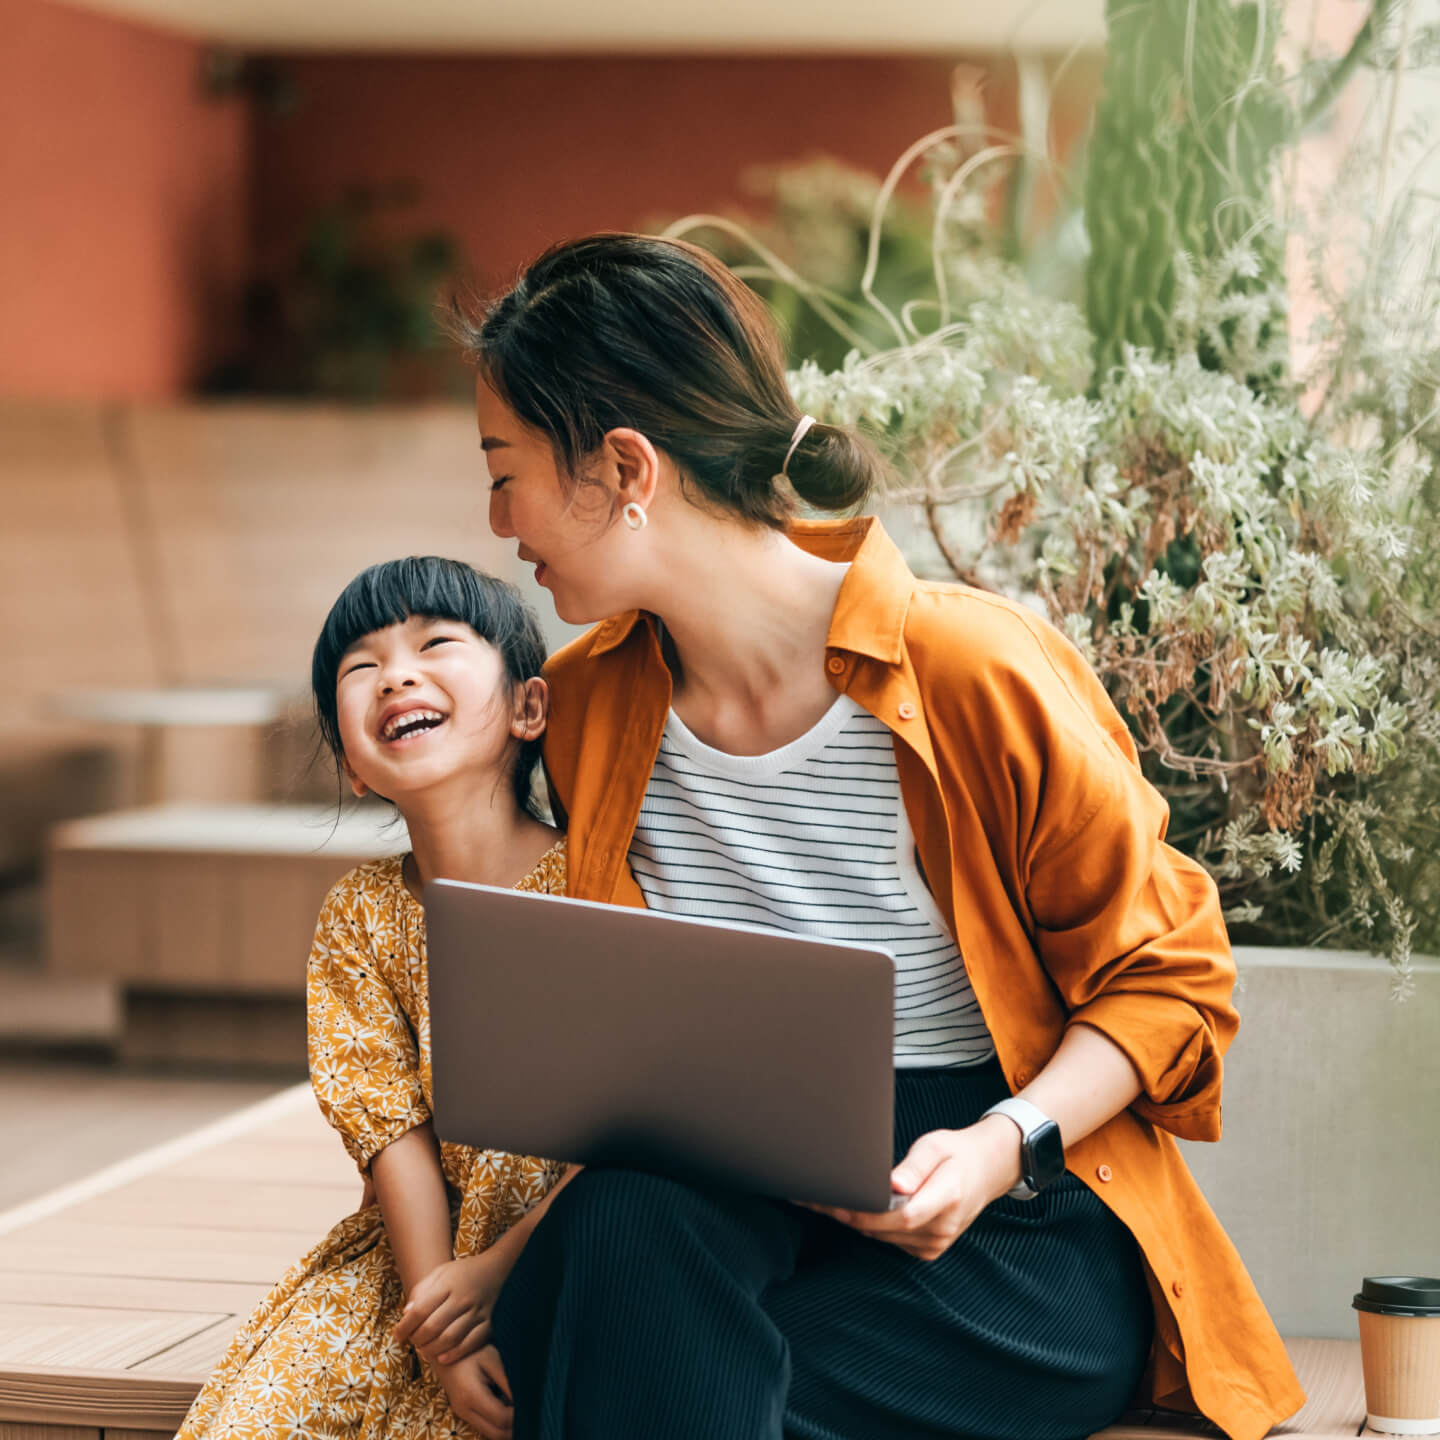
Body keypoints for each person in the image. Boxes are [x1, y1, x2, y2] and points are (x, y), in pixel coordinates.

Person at [449, 233, 1307, 1440]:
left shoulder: (969, 668)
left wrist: (996, 1150)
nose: (497, 520)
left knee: (641, 1375)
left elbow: (1170, 985)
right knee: (621, 1239)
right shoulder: (589, 705)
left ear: (623, 467)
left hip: (999, 1216)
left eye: (507, 470)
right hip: (718, 1197)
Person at [177, 557, 568, 1440]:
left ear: (527, 708)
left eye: (436, 644)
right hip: (413, 1263)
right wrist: (443, 1325)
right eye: (362, 667)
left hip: (576, 1237)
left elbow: (646, 1120)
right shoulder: (362, 914)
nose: (396, 673)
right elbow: (392, 1137)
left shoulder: (600, 883)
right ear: (353, 765)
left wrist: (499, 1270)